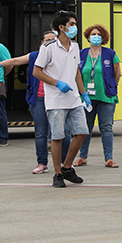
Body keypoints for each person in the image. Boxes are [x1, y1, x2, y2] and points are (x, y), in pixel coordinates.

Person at [0, 31, 71, 174]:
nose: (49, 43)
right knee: (41, 132)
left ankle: (64, 162)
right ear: (41, 43)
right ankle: (42, 163)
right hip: (38, 98)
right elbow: (15, 61)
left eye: (53, 40)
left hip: (57, 99)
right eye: (46, 40)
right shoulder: (34, 56)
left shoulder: (63, 56)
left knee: (64, 132)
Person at [33, 11, 90, 188]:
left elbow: (76, 72)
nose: (75, 27)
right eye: (72, 24)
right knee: (57, 137)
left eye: (75, 24)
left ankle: (67, 167)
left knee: (82, 132)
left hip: (73, 99)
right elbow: (37, 71)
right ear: (62, 27)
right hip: (56, 100)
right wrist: (57, 83)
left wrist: (84, 93)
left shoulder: (75, 46)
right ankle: (57, 174)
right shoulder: (48, 47)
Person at [72, 24, 121, 168]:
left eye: (99, 35)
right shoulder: (81, 54)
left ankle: (109, 158)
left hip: (106, 97)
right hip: (86, 98)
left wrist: (111, 86)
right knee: (84, 128)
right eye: (93, 34)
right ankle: (82, 157)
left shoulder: (110, 53)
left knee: (106, 127)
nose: (96, 37)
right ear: (88, 37)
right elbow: (77, 74)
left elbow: (117, 73)